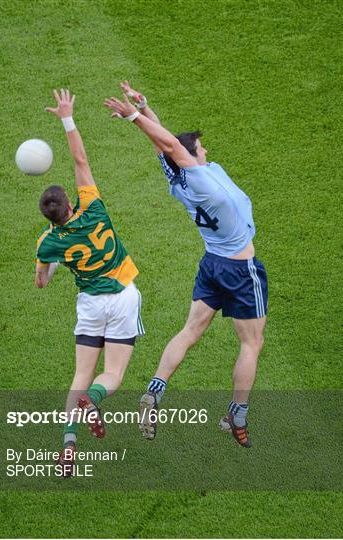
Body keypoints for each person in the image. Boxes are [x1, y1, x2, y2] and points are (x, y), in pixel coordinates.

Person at [104, 82, 267, 448]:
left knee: (191, 331)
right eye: (200, 147)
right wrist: (134, 117)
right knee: (251, 343)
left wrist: (146, 110)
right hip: (242, 270)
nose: (205, 148)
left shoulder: (181, 182)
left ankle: (155, 390)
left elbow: (166, 147)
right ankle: (237, 414)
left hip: (212, 264)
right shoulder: (201, 178)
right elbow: (174, 147)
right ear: (191, 157)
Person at [36, 89, 144, 475]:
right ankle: (95, 400)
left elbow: (42, 283)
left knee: (80, 374)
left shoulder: (48, 241)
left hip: (89, 305)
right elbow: (80, 159)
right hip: (123, 298)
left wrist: (43, 258)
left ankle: (68, 441)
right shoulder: (94, 207)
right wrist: (66, 116)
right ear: (70, 203)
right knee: (110, 374)